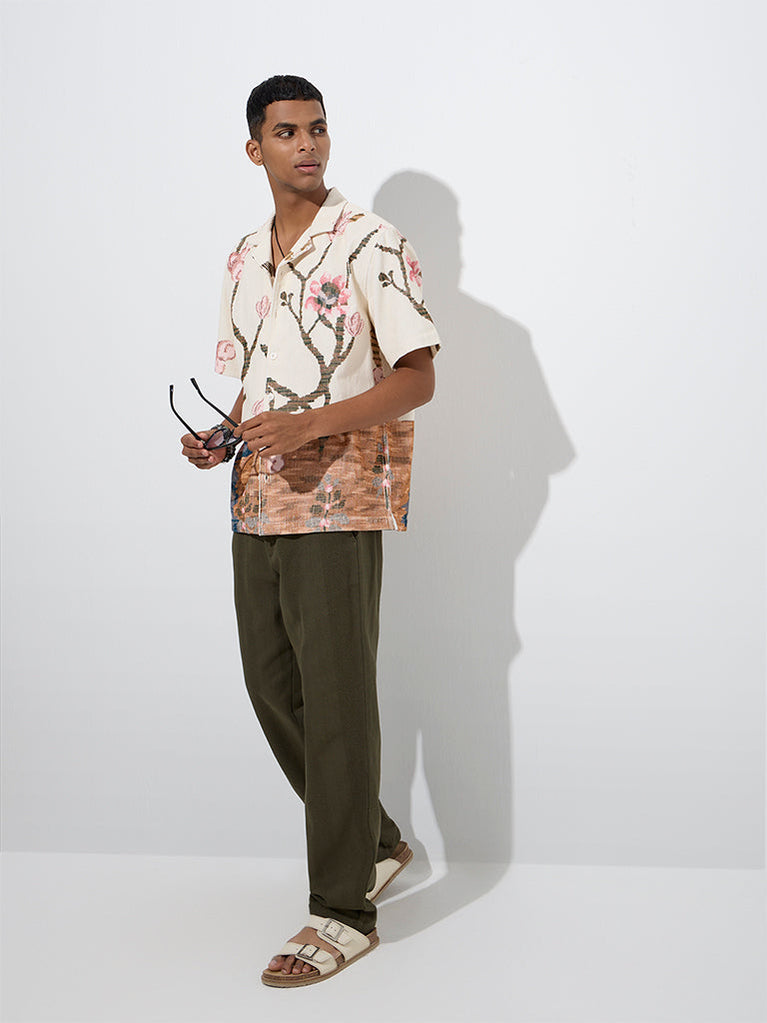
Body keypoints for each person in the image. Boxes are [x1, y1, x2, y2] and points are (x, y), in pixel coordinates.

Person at [179, 74, 440, 988]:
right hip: (257, 493)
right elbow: (256, 378)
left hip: (337, 497)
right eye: (287, 131)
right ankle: (370, 839)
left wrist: (312, 427)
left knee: (335, 697)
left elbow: (417, 378)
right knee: (271, 684)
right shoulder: (244, 256)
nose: (308, 145)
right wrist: (222, 436)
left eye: (318, 128)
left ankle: (342, 909)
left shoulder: (371, 241)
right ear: (255, 148)